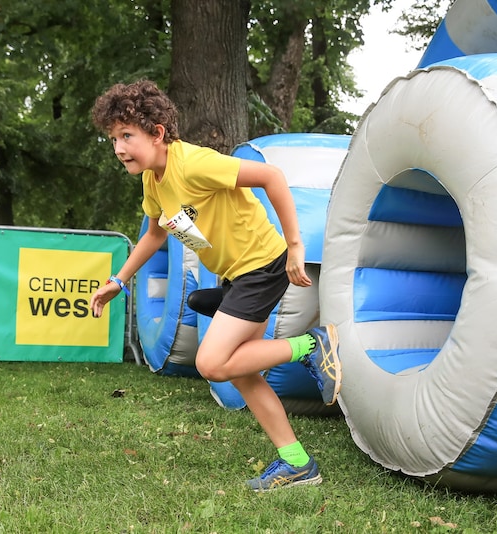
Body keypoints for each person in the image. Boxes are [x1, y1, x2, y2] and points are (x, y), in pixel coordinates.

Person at [89, 80, 341, 492]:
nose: (118, 148)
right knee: (244, 373)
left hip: (262, 265)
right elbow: (155, 236)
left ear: (156, 132)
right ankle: (297, 463)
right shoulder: (153, 181)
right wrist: (119, 280)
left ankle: (312, 346)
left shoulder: (195, 164)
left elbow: (272, 177)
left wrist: (296, 245)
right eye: (114, 138)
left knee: (212, 363)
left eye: (127, 136)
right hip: (237, 275)